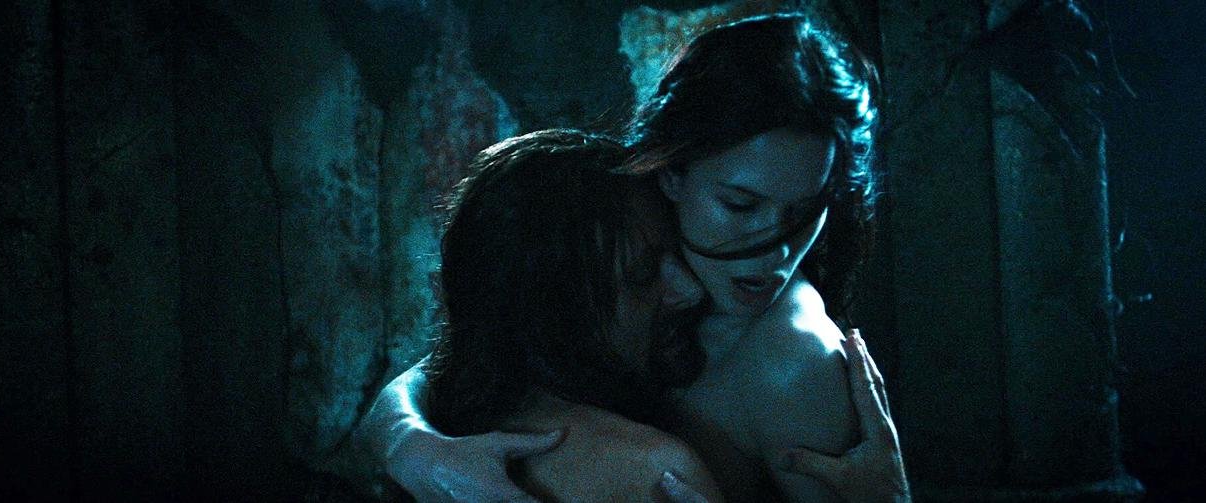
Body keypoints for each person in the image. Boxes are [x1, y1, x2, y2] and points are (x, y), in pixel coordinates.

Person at [367, 12, 910, 502]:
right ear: (671, 173)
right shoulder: (621, 229)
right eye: (740, 204)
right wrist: (409, 441)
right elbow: (487, 340)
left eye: (805, 212)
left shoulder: (794, 363)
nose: (777, 249)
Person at [413, 128, 724, 501]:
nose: (691, 290)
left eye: (679, 254)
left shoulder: (441, 412)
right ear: (557, 313)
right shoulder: (656, 471)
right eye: (643, 275)